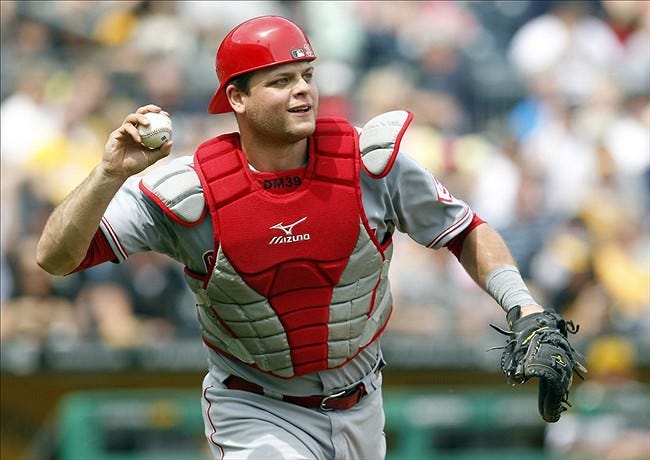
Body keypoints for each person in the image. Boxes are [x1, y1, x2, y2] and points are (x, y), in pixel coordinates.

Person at [36, 15, 584, 460]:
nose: (302, 91)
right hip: (255, 410)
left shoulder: (369, 164)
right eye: (280, 81)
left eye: (307, 76)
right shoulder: (190, 190)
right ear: (237, 99)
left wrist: (525, 307)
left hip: (363, 405)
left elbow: (464, 230)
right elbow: (56, 257)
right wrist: (110, 174)